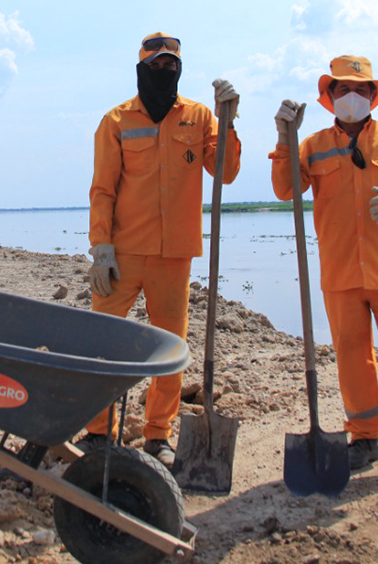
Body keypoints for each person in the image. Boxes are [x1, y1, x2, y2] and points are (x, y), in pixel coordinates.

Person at [269, 55, 378, 485]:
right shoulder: (311, 145)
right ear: (329, 97)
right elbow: (285, 189)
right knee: (352, 357)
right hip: (341, 272)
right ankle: (365, 438)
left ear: (374, 95)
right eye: (343, 89)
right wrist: (284, 140)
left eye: (361, 89)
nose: (352, 96)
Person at [82, 32, 242, 468]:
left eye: (170, 65)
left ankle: (158, 435)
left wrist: (228, 122)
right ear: (141, 69)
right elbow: (103, 189)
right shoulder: (116, 121)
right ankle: (97, 432)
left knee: (170, 350)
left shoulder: (199, 117)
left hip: (175, 257)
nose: (163, 71)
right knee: (102, 345)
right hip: (123, 255)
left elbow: (224, 173)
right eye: (155, 65)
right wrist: (101, 248)